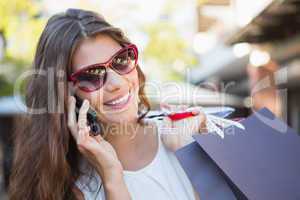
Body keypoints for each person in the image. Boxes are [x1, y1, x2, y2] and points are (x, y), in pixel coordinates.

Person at [9, 8, 206, 200]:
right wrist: (112, 178)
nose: (117, 83)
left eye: (121, 60)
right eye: (91, 76)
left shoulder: (186, 139)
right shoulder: (68, 188)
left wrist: (189, 156)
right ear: (67, 94)